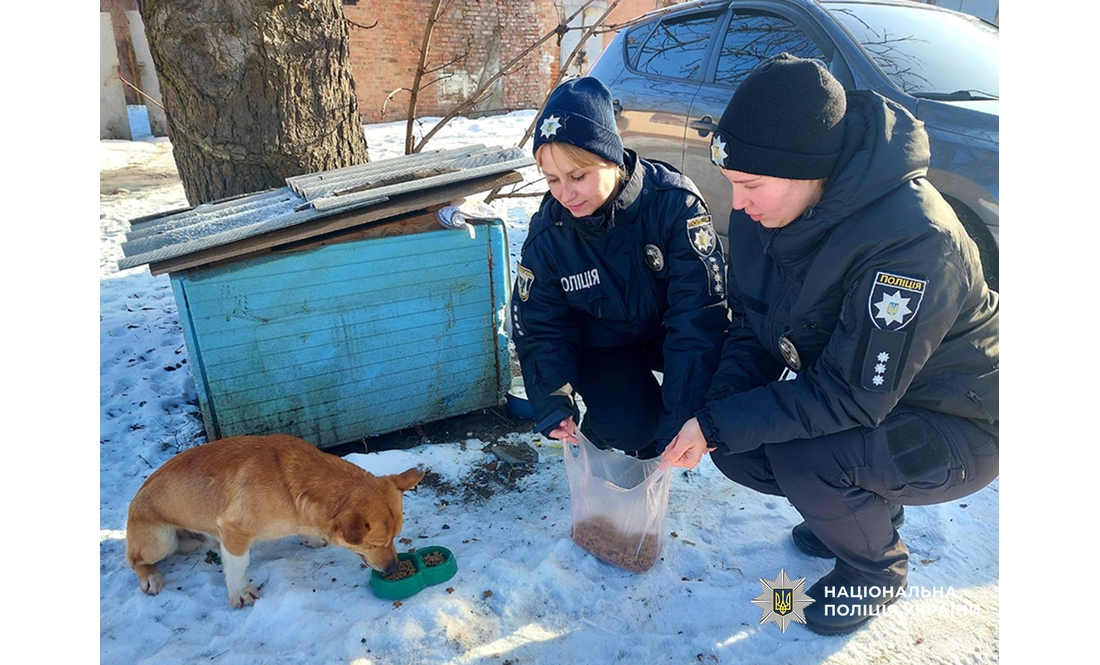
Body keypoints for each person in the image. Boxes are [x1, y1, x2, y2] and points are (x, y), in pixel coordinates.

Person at [660, 54, 999, 635]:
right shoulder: (769, 213)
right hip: (872, 400)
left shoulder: (914, 243)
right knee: (740, 446)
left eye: (750, 185)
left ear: (806, 169)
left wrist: (717, 424)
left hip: (959, 423)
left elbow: (849, 399)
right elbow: (752, 328)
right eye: (733, 184)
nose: (737, 203)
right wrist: (713, 413)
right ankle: (863, 508)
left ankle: (876, 568)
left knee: (805, 455)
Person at [512, 77, 729, 458]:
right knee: (631, 428)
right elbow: (540, 328)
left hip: (667, 332)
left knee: (712, 390)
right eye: (552, 180)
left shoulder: (674, 206)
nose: (565, 194)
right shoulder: (549, 237)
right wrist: (553, 402)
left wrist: (679, 419)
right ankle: (606, 426)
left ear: (611, 158)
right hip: (603, 343)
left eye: (578, 176)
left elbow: (698, 315)